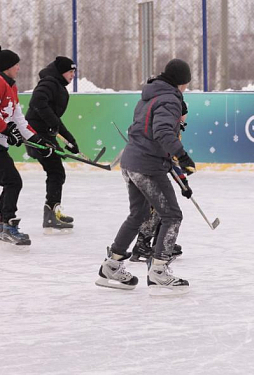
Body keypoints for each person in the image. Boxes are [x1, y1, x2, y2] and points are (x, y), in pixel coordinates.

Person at [95, 58, 196, 293]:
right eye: (186, 84)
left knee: (138, 214)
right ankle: (159, 270)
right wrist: (181, 156)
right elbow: (161, 131)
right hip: (147, 166)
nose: (186, 89)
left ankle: (111, 265)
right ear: (181, 82)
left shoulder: (149, 96)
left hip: (131, 162)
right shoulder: (171, 99)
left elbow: (147, 131)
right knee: (171, 215)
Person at [0, 45, 51, 246]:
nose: (19, 68)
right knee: (13, 182)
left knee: (10, 182)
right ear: (7, 66)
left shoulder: (11, 86)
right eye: (16, 64)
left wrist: (37, 140)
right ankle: (7, 226)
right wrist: (6, 130)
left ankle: (4, 223)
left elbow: (18, 119)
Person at [129, 100, 191, 263]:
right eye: (184, 114)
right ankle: (142, 245)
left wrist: (183, 183)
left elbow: (172, 160)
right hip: (145, 169)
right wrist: (183, 182)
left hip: (151, 169)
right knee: (158, 208)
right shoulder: (166, 128)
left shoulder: (172, 127)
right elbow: (171, 158)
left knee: (160, 207)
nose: (185, 118)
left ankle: (158, 243)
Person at [25, 56, 78, 232]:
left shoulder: (56, 85)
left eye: (74, 72)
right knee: (56, 171)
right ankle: (50, 215)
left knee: (56, 172)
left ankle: (52, 211)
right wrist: (54, 127)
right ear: (61, 72)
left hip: (44, 134)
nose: (73, 75)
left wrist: (70, 139)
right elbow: (37, 103)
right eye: (70, 71)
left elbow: (55, 119)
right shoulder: (49, 83)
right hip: (37, 136)